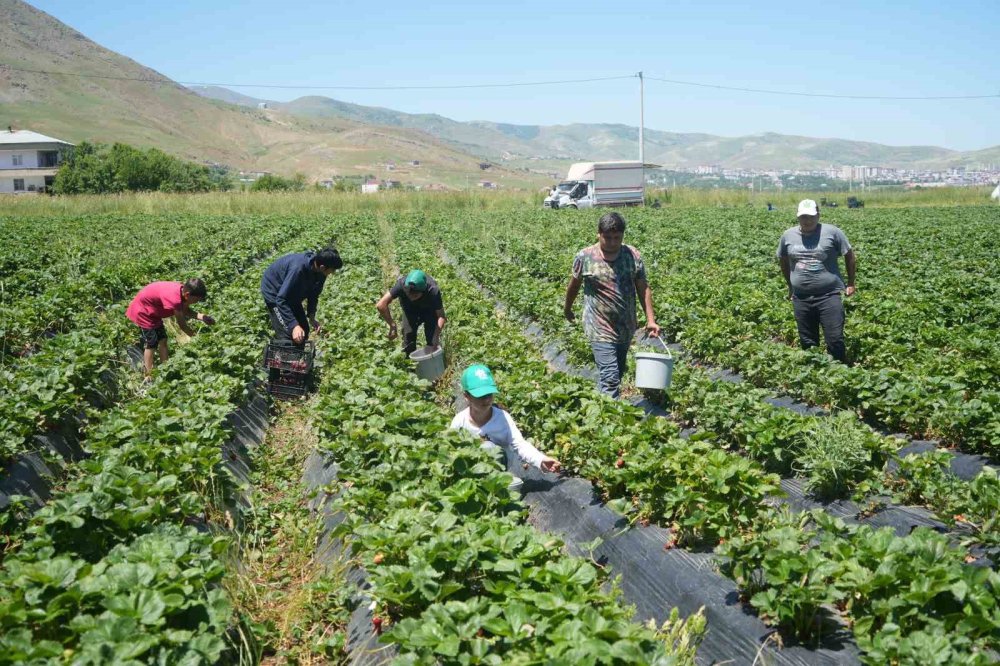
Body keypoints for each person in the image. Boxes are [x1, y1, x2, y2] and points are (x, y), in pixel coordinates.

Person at [564, 212, 660, 399]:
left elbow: (643, 287)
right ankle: (611, 420)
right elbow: (573, 286)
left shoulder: (632, 255)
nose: (612, 242)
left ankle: (601, 406)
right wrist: (567, 309)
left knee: (618, 371)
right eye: (608, 237)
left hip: (626, 326)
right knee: (610, 377)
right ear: (598, 234)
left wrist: (651, 320)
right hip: (598, 326)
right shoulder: (585, 257)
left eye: (617, 238)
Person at [777, 199, 857, 364]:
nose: (807, 221)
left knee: (835, 339)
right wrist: (790, 286)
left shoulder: (832, 232)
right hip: (801, 297)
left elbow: (849, 256)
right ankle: (814, 375)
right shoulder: (788, 236)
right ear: (798, 217)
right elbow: (783, 259)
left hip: (829, 295)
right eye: (803, 217)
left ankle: (839, 373)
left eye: (811, 217)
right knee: (808, 341)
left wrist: (850, 283)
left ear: (818, 215)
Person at [450, 364, 562, 474]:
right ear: (466, 396)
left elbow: (520, 444)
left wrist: (541, 459)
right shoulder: (459, 421)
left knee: (488, 447)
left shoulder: (502, 418)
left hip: (500, 466)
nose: (486, 400)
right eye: (480, 396)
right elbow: (450, 449)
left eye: (489, 394)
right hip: (469, 469)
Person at [126, 278, 215, 376]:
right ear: (187, 295)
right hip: (143, 311)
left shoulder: (182, 292)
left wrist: (203, 317)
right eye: (196, 300)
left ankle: (166, 368)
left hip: (154, 312)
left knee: (163, 339)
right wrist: (198, 339)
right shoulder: (175, 299)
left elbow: (186, 311)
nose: (196, 302)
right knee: (152, 343)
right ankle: (148, 375)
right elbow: (183, 326)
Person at [261, 248, 342, 346]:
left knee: (304, 329)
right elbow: (281, 299)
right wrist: (294, 325)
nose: (332, 273)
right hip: (275, 292)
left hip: (291, 293)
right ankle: (284, 357)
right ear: (322, 267)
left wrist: (312, 317)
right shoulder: (297, 269)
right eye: (332, 270)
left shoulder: (321, 273)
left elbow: (314, 294)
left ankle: (297, 359)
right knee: (288, 333)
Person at [376, 269, 447, 354]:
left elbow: (441, 316)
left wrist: (436, 336)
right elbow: (380, 304)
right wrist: (392, 325)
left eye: (415, 295)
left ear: (423, 291)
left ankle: (432, 360)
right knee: (408, 339)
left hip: (429, 311)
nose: (412, 297)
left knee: (432, 341)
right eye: (409, 294)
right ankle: (409, 363)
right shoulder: (401, 285)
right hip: (409, 311)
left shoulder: (433, 290)